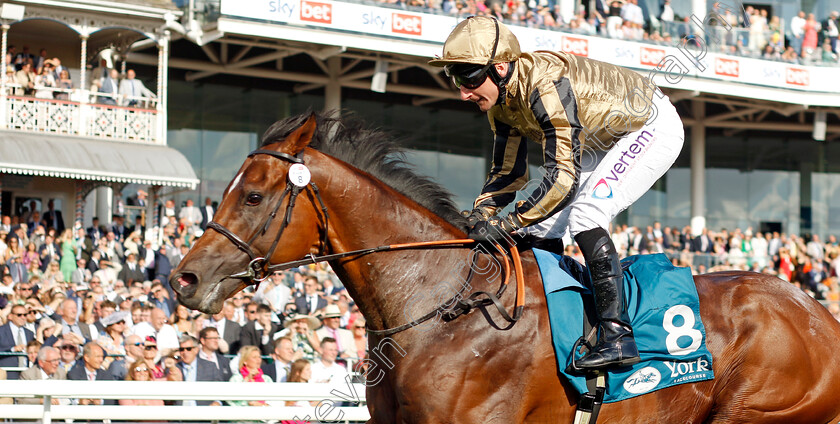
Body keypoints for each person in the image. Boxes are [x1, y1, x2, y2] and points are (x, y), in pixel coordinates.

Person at [429, 17, 685, 370]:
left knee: (586, 214)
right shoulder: (502, 102)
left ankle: (618, 336)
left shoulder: (544, 86)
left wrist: (507, 224)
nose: (463, 91)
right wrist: (480, 215)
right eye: (455, 78)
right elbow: (508, 173)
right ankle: (550, 324)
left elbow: (562, 179)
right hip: (605, 136)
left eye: (469, 78)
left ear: (500, 67)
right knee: (539, 229)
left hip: (649, 124)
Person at [0, 304, 35, 378]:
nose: (23, 317)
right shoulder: (1, 331)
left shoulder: (29, 333)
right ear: (10, 316)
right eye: (19, 315)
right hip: (8, 372)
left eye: (25, 315)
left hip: (26, 372)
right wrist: (12, 349)